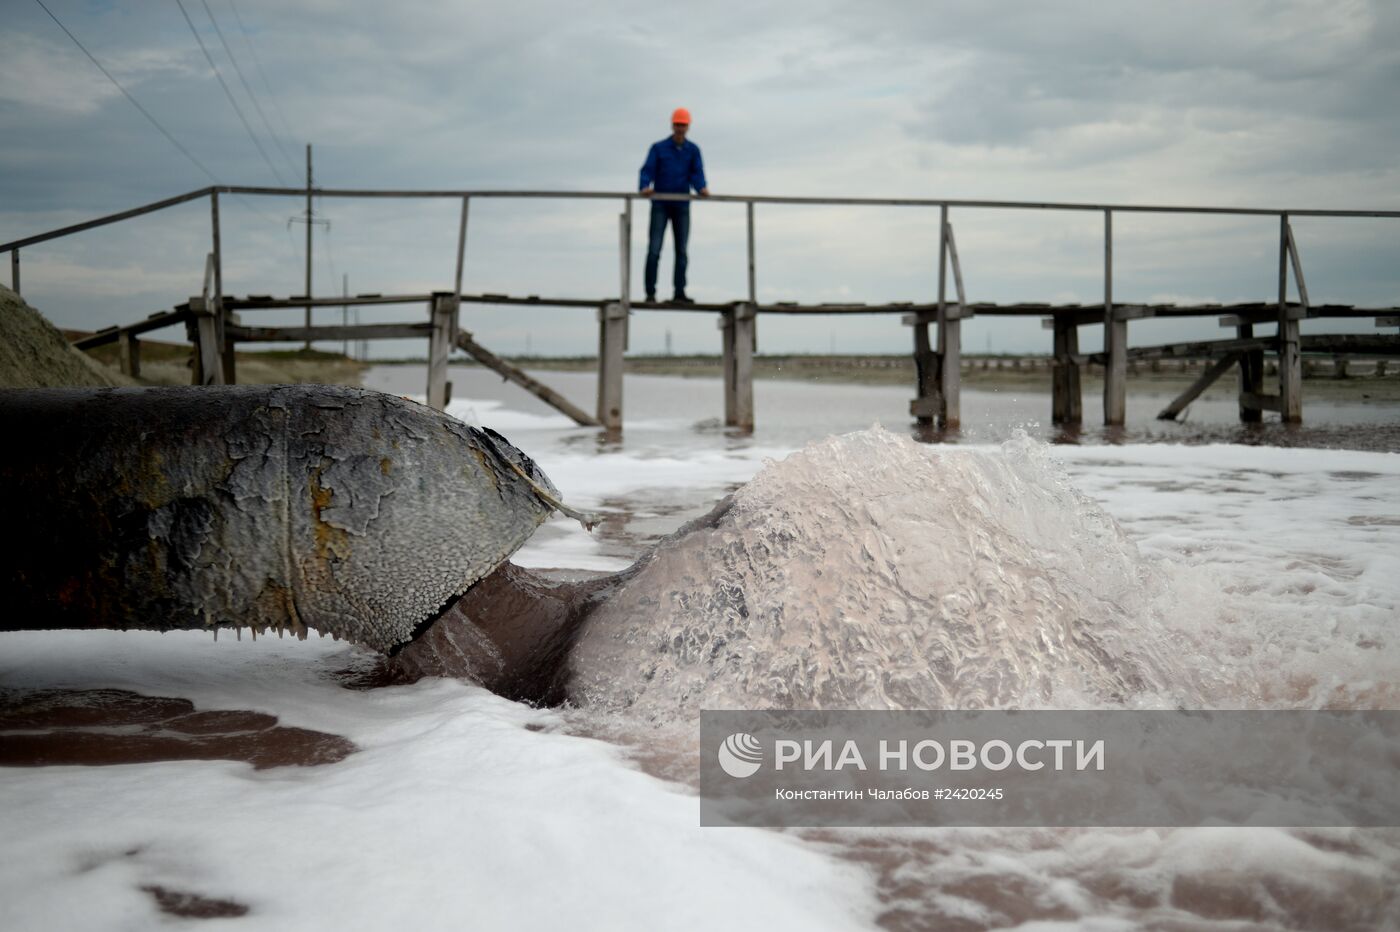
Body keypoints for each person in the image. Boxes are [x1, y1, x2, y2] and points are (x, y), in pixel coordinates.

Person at [638, 107, 709, 303]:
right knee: (654, 249)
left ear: (688, 127)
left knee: (682, 251)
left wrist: (701, 188)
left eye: (683, 125)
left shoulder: (693, 151)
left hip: (681, 204)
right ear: (672, 125)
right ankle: (650, 293)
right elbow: (648, 169)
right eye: (677, 124)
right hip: (660, 203)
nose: (680, 128)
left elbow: (697, 173)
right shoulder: (658, 148)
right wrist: (645, 186)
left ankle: (679, 292)